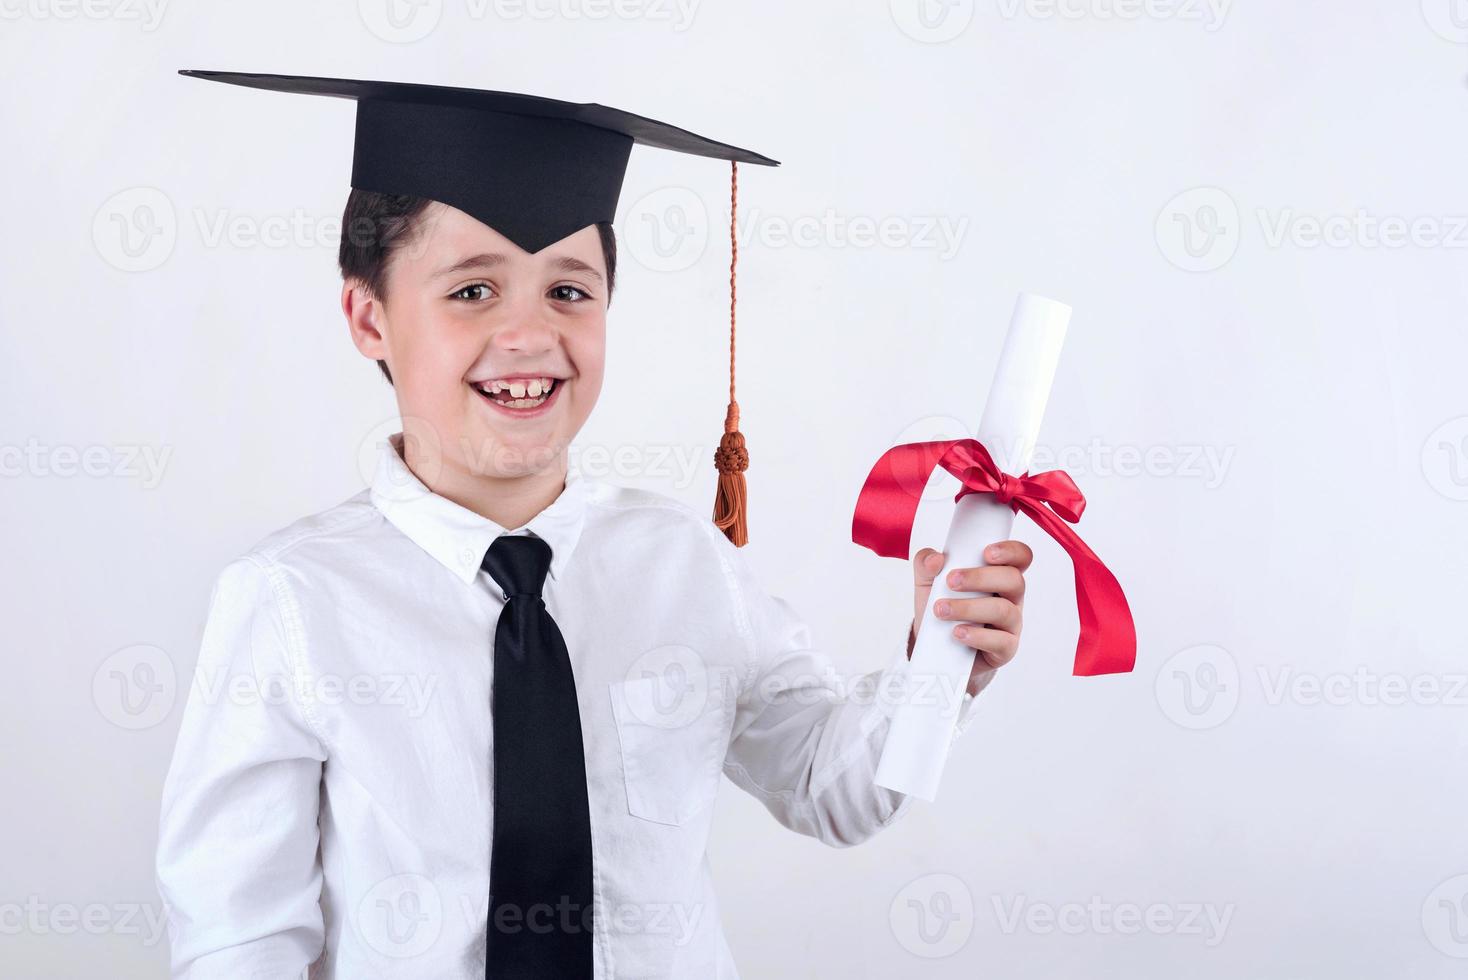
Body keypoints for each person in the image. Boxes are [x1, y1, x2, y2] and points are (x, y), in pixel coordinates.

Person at [155, 71, 1033, 979]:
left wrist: (942, 660)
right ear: (368, 315)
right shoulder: (292, 601)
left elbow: (828, 788)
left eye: (568, 292)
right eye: (472, 293)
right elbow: (240, 938)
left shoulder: (679, 562)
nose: (530, 336)